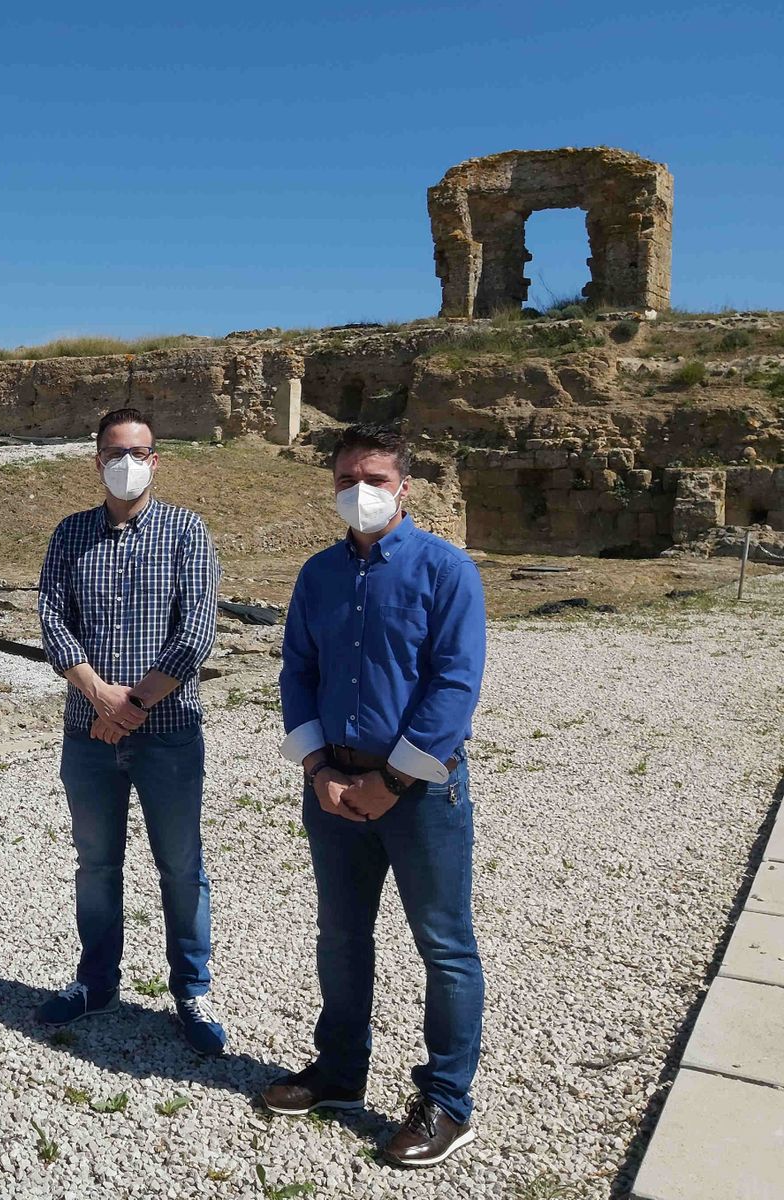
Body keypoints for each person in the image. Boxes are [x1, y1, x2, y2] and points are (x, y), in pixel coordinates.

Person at [266, 421, 487, 1169]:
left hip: (419, 795)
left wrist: (392, 781)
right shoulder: (317, 576)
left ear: (405, 487)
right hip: (331, 786)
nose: (359, 492)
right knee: (341, 936)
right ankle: (338, 1073)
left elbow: (454, 685)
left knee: (444, 946)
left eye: (376, 479)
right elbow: (298, 671)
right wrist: (318, 768)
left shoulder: (446, 570)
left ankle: (447, 1100)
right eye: (345, 480)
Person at [34, 407, 225, 1055]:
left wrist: (134, 705)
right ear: (96, 461)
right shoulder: (70, 534)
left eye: (138, 452)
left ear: (155, 460)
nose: (126, 463)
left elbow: (196, 632)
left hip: (168, 731)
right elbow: (54, 623)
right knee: (96, 865)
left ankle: (191, 989)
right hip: (88, 734)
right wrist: (100, 697)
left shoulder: (186, 532)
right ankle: (97, 980)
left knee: (180, 865)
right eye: (115, 452)